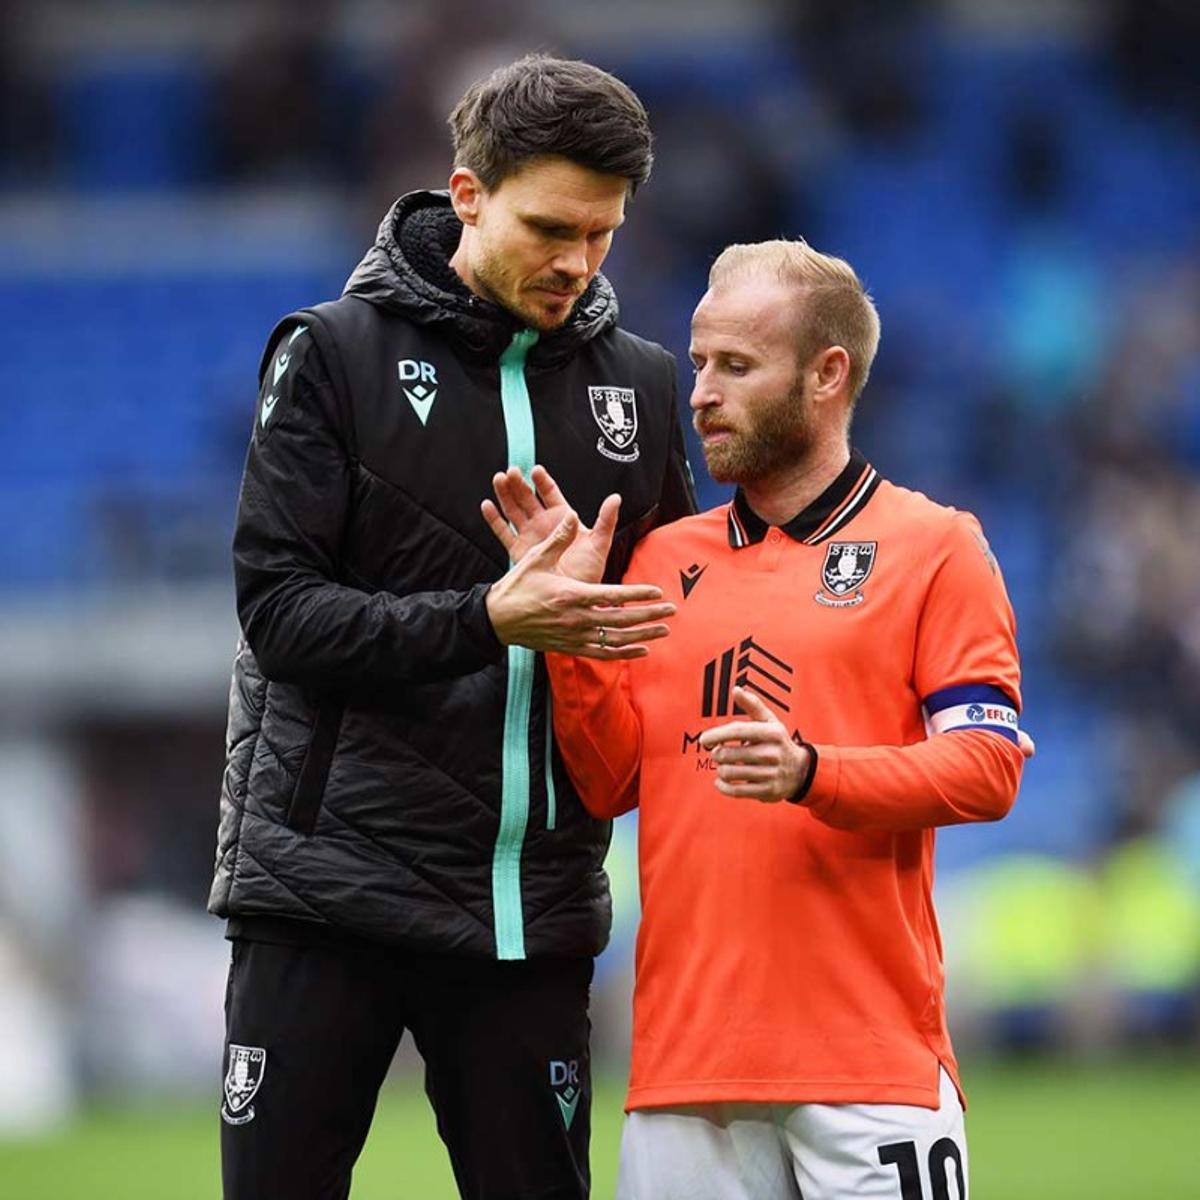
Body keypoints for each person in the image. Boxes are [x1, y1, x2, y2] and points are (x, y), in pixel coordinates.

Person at [207, 55, 695, 1200]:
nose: (577, 262)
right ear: (467, 195)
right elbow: (279, 617)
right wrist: (491, 617)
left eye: (604, 235)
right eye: (550, 227)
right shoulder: (330, 355)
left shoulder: (645, 388)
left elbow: (674, 630)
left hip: (529, 909)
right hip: (324, 895)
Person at [484, 239, 1030, 1199]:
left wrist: (812, 772)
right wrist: (568, 634)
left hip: (869, 1068)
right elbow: (615, 782)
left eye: (736, 366)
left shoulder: (936, 549)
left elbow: (987, 768)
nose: (699, 393)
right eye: (698, 362)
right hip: (684, 1073)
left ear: (827, 377)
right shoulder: (659, 558)